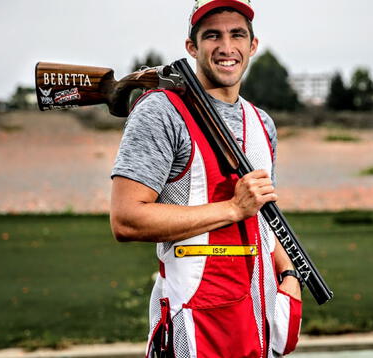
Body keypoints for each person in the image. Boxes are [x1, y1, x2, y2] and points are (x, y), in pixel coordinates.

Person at [109, 1, 302, 357]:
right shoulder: (161, 110)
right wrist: (231, 208)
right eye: (212, 35)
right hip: (194, 322)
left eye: (237, 35)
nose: (227, 47)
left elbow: (262, 217)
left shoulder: (262, 122)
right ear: (192, 47)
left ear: (252, 46)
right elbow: (126, 219)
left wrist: (289, 274)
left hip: (256, 319)